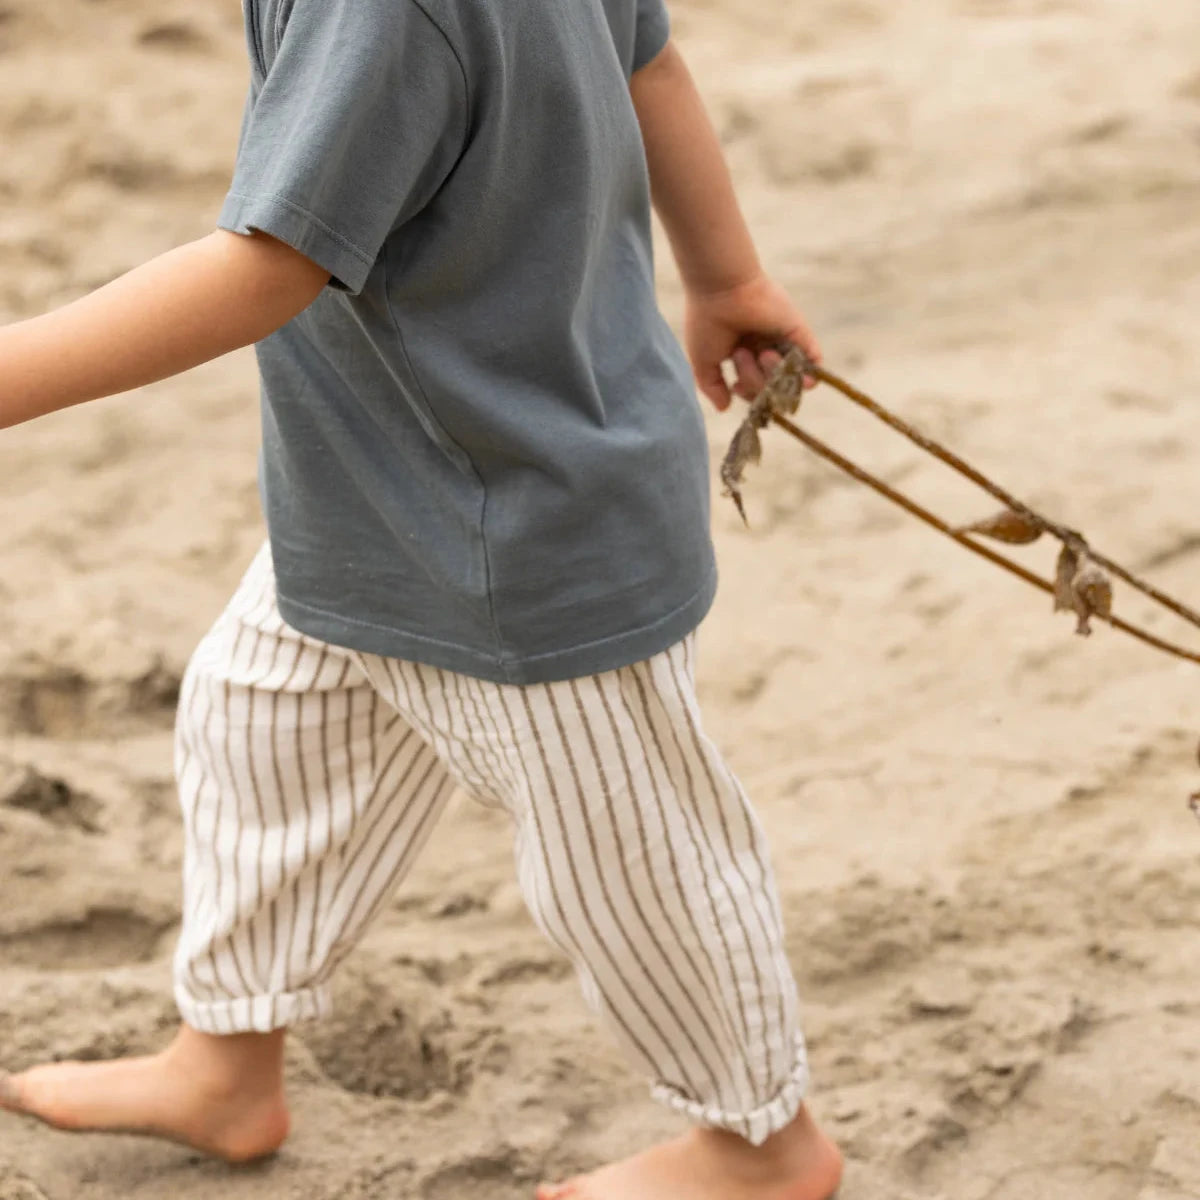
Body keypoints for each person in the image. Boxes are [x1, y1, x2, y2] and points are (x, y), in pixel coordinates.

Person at [0, 0, 843, 1197]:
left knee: (632, 861)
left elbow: (266, 269)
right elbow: (650, 63)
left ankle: (765, 1148)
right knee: (260, 735)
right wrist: (730, 274)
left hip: (516, 527)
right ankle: (226, 1063)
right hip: (374, 488)